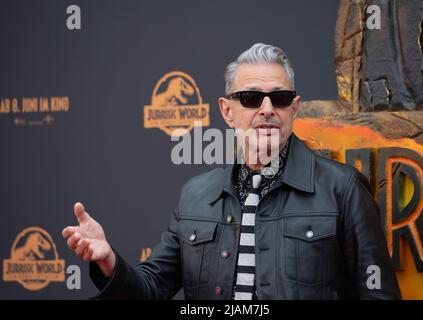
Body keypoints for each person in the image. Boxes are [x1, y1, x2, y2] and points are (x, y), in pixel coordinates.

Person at [62, 43, 401, 300]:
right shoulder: (196, 196)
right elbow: (151, 289)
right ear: (227, 111)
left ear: (294, 109)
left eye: (279, 98)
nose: (267, 109)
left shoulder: (343, 189)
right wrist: (107, 261)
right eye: (252, 98)